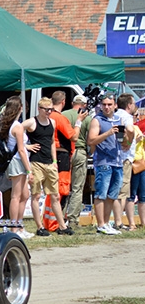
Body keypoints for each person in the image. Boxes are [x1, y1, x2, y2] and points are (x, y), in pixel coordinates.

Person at [23, 97, 73, 236]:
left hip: (50, 162)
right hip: (36, 162)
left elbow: (52, 142)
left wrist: (55, 161)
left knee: (55, 195)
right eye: (46, 109)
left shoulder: (52, 122)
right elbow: (16, 131)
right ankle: (40, 227)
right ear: (39, 109)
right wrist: (26, 146)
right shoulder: (32, 122)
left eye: (50, 109)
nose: (49, 112)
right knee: (36, 195)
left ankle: (62, 226)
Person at [0, 96, 36, 239]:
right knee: (16, 196)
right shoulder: (17, 126)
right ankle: (14, 227)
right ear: (20, 108)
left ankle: (19, 225)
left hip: (15, 161)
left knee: (25, 195)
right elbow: (21, 150)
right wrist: (29, 169)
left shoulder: (9, 124)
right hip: (17, 161)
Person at [87, 93, 125, 235]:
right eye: (104, 104)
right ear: (100, 106)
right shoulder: (97, 120)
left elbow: (124, 142)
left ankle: (106, 223)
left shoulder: (118, 119)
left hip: (117, 161)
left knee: (112, 195)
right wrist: (108, 133)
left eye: (110, 104)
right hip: (103, 161)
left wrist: (126, 137)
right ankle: (101, 224)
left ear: (115, 105)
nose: (107, 107)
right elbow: (91, 141)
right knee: (101, 194)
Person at [62, 95, 93, 228]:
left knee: (62, 186)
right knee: (77, 187)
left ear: (71, 103)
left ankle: (59, 216)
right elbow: (90, 137)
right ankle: (73, 220)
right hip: (80, 151)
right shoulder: (88, 118)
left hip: (64, 152)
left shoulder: (63, 115)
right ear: (84, 105)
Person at [50, 91, 83, 214]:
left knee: (52, 188)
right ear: (63, 102)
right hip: (61, 155)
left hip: (50, 155)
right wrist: (79, 121)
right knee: (62, 188)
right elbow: (73, 136)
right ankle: (57, 220)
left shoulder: (47, 116)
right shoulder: (59, 118)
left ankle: (52, 220)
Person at [114, 93, 137, 230]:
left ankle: (117, 220)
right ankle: (118, 222)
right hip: (125, 158)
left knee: (117, 190)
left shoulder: (116, 115)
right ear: (129, 105)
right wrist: (128, 141)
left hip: (116, 157)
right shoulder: (127, 117)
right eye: (133, 103)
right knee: (123, 192)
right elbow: (129, 129)